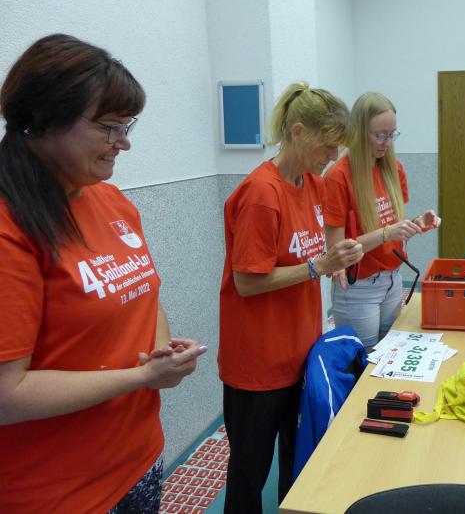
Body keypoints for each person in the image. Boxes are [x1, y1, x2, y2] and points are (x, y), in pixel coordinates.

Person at [0, 34, 207, 514]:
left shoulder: (111, 201)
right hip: (57, 492)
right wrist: (141, 376)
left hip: (137, 457)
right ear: (45, 120)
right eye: (110, 127)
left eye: (126, 125)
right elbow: (7, 394)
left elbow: (145, 296)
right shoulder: (11, 228)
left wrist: (162, 355)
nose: (124, 142)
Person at [218, 82, 363, 513]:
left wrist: (337, 260)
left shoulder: (313, 186)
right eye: (328, 145)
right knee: (249, 474)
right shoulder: (262, 194)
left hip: (300, 353)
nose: (333, 156)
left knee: (297, 467)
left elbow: (311, 256)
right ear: (298, 132)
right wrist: (318, 266)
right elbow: (248, 282)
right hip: (258, 364)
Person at [323, 92, 440, 347]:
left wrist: (417, 224)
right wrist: (386, 233)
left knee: (389, 354)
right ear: (358, 131)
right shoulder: (338, 177)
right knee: (363, 362)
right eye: (380, 135)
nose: (387, 142)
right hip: (358, 288)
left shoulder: (393, 168)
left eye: (392, 134)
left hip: (392, 280)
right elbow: (336, 252)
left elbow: (392, 227)